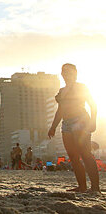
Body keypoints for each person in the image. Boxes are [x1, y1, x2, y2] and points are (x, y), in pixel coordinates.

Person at [48, 63, 100, 192]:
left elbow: (93, 104)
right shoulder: (61, 91)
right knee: (73, 156)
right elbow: (60, 110)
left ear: (75, 73)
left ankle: (95, 187)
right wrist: (53, 126)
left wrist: (93, 121)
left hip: (80, 119)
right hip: (66, 123)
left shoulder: (81, 87)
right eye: (64, 71)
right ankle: (82, 186)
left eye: (69, 71)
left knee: (85, 153)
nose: (66, 74)